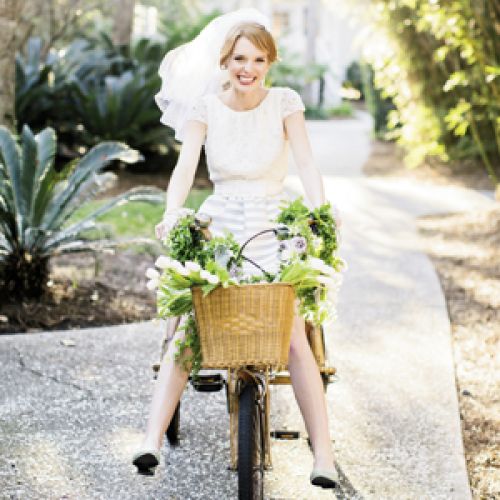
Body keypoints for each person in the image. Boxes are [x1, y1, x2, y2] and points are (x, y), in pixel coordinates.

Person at [132, 8, 341, 489]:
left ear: (270, 63)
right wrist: (172, 212)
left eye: (258, 59)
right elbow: (185, 168)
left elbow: (307, 163)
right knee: (192, 324)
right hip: (221, 220)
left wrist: (321, 211)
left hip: (271, 222)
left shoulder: (285, 102)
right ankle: (150, 440)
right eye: (240, 58)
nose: (248, 68)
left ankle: (323, 456)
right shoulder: (205, 107)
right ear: (225, 61)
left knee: (293, 332)